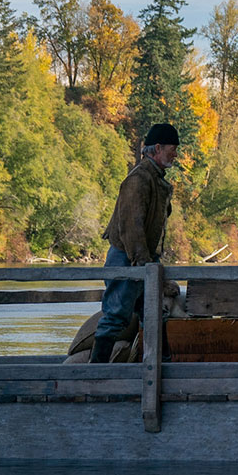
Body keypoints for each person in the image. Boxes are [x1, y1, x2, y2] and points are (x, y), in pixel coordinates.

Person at [91, 123, 179, 363]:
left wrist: (151, 266)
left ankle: (161, 366)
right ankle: (92, 374)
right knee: (115, 315)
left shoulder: (155, 179)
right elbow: (132, 227)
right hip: (128, 259)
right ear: (158, 148)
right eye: (172, 149)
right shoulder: (139, 179)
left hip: (143, 260)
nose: (175, 154)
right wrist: (145, 267)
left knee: (153, 314)